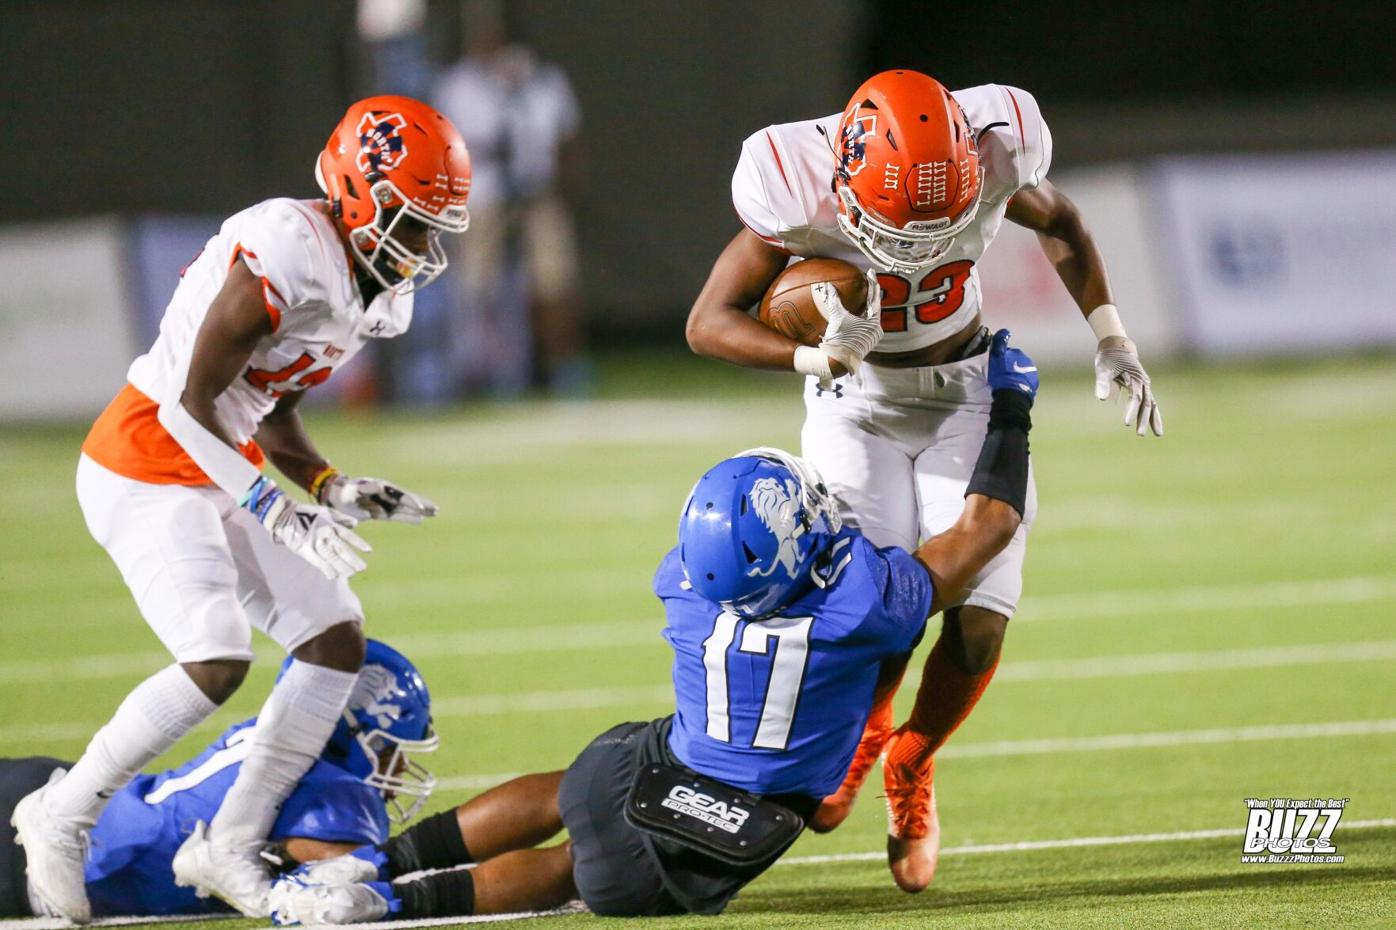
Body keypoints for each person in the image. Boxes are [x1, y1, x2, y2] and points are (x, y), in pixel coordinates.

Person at [265, 330, 1039, 924]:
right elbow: (986, 530)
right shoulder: (860, 603)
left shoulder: (686, 584)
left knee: (574, 790)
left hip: (655, 752)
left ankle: (375, 862)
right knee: (578, 867)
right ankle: (388, 906)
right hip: (725, 813)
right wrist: (1009, 409)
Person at [683, 68, 1165, 891]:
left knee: (978, 621)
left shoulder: (997, 148)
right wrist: (809, 353)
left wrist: (1111, 334)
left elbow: (1067, 223)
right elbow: (707, 323)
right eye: (898, 228)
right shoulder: (794, 180)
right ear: (842, 177)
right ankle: (865, 732)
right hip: (854, 404)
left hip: (967, 394)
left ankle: (911, 761)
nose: (919, 249)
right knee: (878, 614)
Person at [10, 95, 471, 922]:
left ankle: (230, 840)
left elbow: (268, 401)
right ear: (358, 194)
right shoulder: (289, 249)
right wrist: (273, 502)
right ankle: (63, 813)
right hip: (144, 457)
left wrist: (327, 484)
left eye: (431, 227)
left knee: (334, 636)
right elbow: (191, 403)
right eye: (409, 222)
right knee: (216, 656)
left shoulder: (366, 286)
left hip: (215, 461)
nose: (422, 247)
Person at [1, 641, 438, 920]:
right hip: (46, 861)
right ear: (353, 736)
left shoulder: (279, 736)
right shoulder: (339, 793)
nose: (398, 770)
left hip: (57, 794)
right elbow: (342, 885)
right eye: (389, 750)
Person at [432, 0, 590, 396]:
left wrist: (566, 188)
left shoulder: (541, 78)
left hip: (538, 192)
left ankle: (563, 369)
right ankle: (483, 373)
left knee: (554, 281)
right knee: (477, 289)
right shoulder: (458, 83)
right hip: (481, 196)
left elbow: (567, 139)